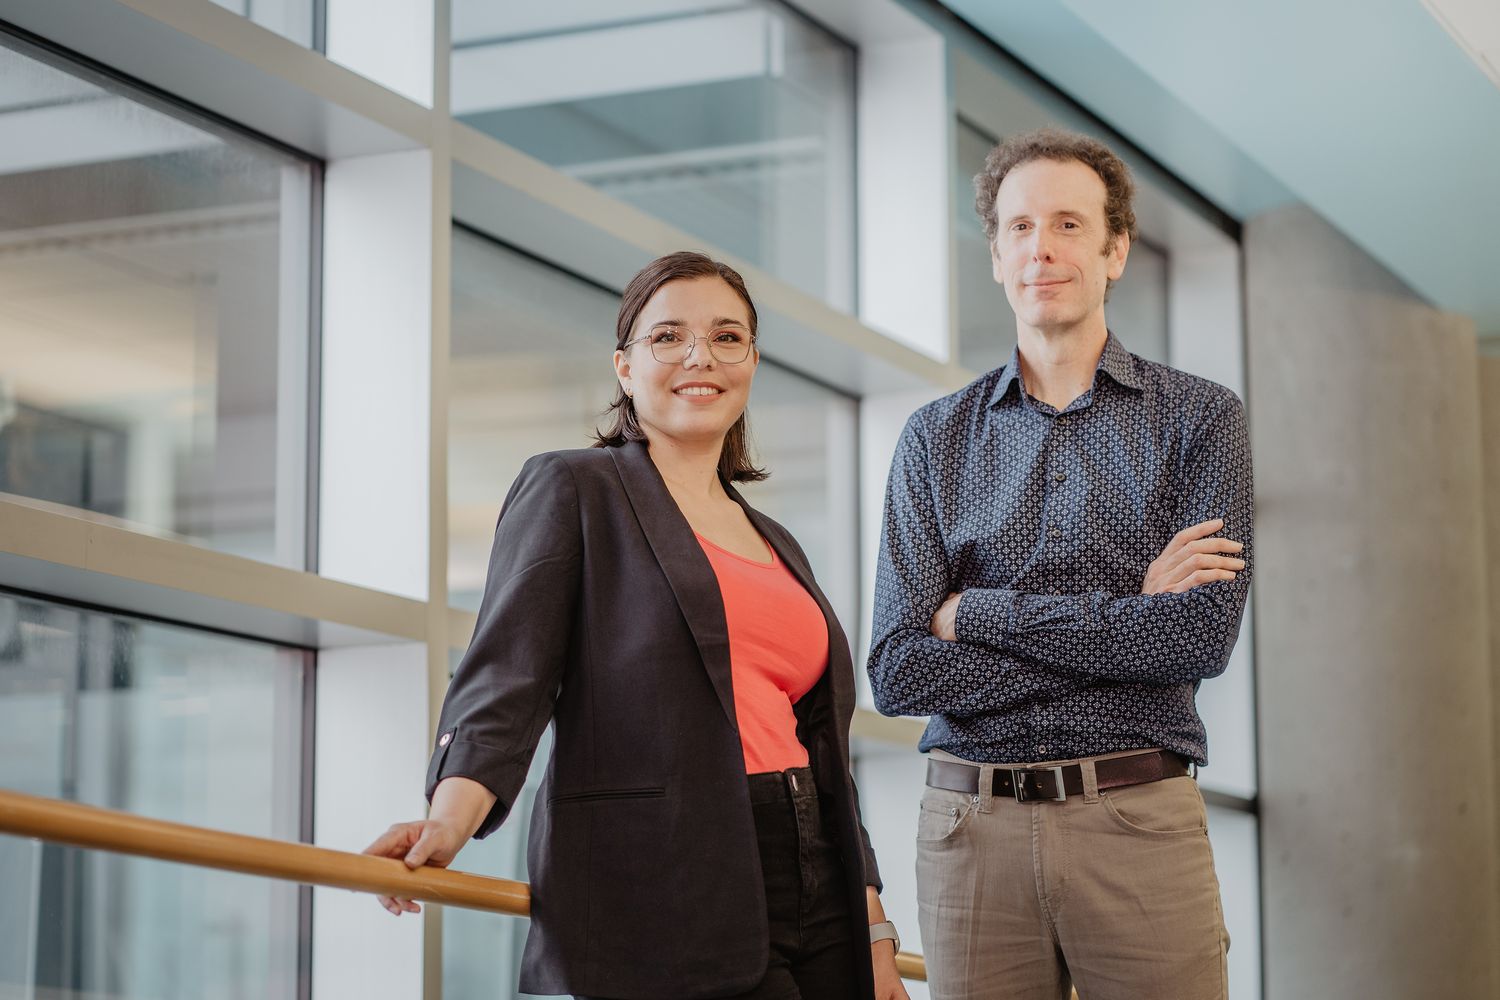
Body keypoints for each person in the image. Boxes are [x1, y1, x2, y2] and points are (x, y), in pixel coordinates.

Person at [364, 251, 908, 1000]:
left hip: (820, 881)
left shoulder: (776, 539)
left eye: (727, 337)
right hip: (670, 874)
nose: (699, 357)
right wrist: (448, 819)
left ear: (750, 361)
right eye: (667, 337)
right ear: (623, 366)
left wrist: (873, 925)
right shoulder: (576, 489)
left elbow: (821, 750)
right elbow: (506, 678)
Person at [868, 127, 1253, 1000]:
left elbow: (1196, 639)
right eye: (1019, 228)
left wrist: (976, 615)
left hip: (1137, 823)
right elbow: (896, 668)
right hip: (970, 834)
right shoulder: (935, 438)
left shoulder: (1201, 420)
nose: (1042, 247)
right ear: (997, 254)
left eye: (1070, 226)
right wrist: (1125, 618)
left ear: (1116, 249)